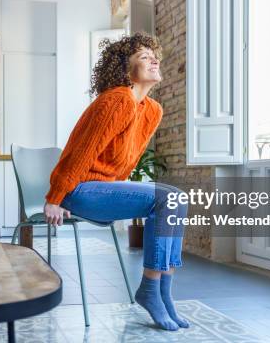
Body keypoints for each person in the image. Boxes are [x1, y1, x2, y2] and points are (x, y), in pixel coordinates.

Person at [44, 33, 189, 331]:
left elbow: (126, 162)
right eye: (144, 57)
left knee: (176, 198)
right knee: (166, 198)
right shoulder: (116, 100)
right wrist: (56, 197)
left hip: (101, 191)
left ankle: (163, 291)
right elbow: (81, 154)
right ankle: (150, 289)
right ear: (126, 69)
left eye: (154, 55)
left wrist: (118, 192)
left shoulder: (152, 110)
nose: (154, 60)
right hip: (80, 190)